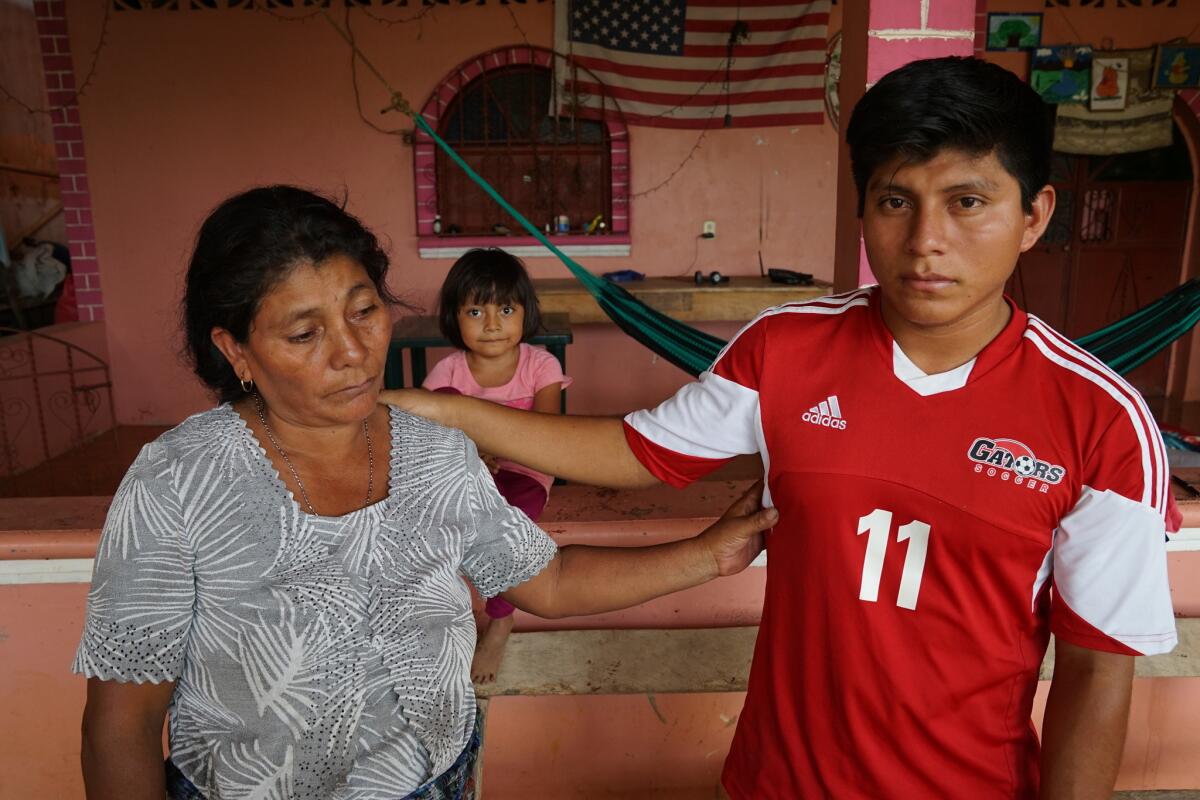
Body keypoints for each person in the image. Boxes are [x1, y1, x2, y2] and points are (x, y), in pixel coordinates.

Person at [383, 57, 1178, 799]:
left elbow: (1095, 673)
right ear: (864, 209)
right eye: (896, 201)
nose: (927, 240)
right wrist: (444, 409)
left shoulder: (1103, 424)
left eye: (968, 202)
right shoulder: (788, 349)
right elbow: (638, 450)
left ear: (1034, 214)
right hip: (771, 781)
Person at [73, 185, 777, 800]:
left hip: (437, 781)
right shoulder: (180, 481)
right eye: (303, 333)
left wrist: (705, 556)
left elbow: (550, 580)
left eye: (363, 311)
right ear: (235, 351)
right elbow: (122, 723)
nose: (351, 352)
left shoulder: (435, 453)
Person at [424, 248, 570, 684]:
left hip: (524, 472)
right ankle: (439, 610)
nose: (491, 324)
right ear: (455, 316)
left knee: (509, 514)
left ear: (525, 313)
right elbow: (433, 435)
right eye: (475, 310)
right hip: (466, 472)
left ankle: (501, 615)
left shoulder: (540, 365)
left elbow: (543, 434)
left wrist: (491, 449)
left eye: (505, 309)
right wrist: (472, 456)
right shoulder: (448, 371)